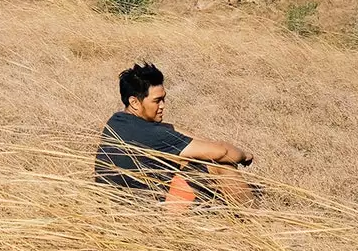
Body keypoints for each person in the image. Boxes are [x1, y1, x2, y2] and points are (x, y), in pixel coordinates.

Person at [93, 62, 255, 210]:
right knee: (221, 165)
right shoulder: (153, 135)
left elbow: (173, 131)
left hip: (114, 209)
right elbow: (222, 152)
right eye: (157, 101)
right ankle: (254, 221)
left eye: (163, 99)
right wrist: (244, 155)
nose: (163, 105)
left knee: (187, 160)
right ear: (135, 102)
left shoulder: (117, 121)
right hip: (146, 215)